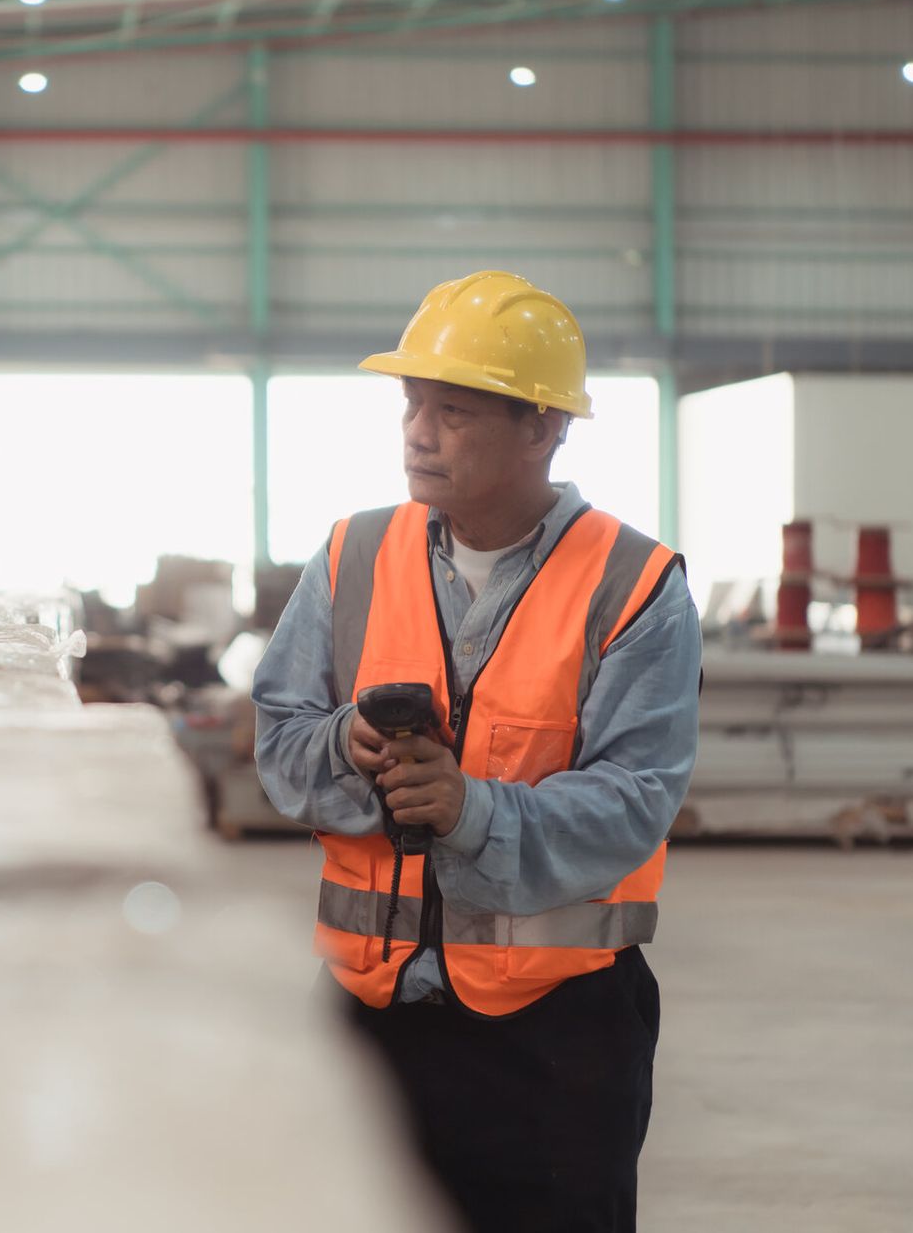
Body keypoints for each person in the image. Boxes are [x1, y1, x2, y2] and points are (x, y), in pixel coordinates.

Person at [252, 271, 702, 1232]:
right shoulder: (351, 556)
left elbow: (635, 800)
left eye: (452, 411)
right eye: (412, 405)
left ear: (543, 427)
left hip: (557, 1044)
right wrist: (346, 745)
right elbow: (279, 740)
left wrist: (472, 811)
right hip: (370, 1016)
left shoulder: (634, 586)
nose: (417, 433)